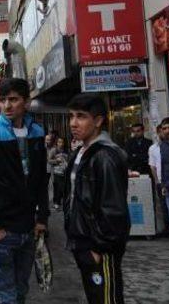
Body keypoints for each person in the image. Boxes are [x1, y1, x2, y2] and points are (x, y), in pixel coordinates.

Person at [0, 78, 49, 304]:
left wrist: (42, 217)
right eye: (3, 99)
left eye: (14, 99)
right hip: (2, 231)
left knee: (21, 290)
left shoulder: (36, 132)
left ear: (25, 102)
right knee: (5, 294)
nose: (7, 105)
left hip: (28, 228)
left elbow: (41, 180)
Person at [64, 94, 130, 304]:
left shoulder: (105, 156)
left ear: (99, 120)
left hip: (99, 248)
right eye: (71, 116)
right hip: (83, 243)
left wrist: (100, 248)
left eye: (81, 116)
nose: (74, 123)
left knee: (106, 299)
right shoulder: (80, 153)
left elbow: (114, 209)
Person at [154, 117, 169, 230]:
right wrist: (162, 184)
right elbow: (163, 166)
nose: (167, 131)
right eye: (164, 128)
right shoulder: (162, 146)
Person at [50, 138, 69, 210]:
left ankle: (58, 202)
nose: (61, 143)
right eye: (59, 142)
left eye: (62, 142)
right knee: (58, 188)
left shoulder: (65, 151)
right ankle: (56, 203)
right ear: (57, 143)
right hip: (56, 172)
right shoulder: (54, 150)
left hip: (64, 172)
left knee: (63, 188)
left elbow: (67, 160)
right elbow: (49, 160)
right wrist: (56, 161)